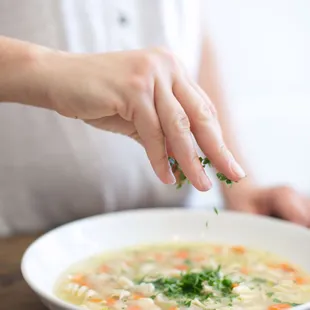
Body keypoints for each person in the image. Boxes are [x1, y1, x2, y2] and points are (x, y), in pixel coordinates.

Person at [0, 0, 309, 236]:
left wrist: (241, 189)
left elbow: (186, 36)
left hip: (169, 238)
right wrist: (51, 69)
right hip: (21, 238)